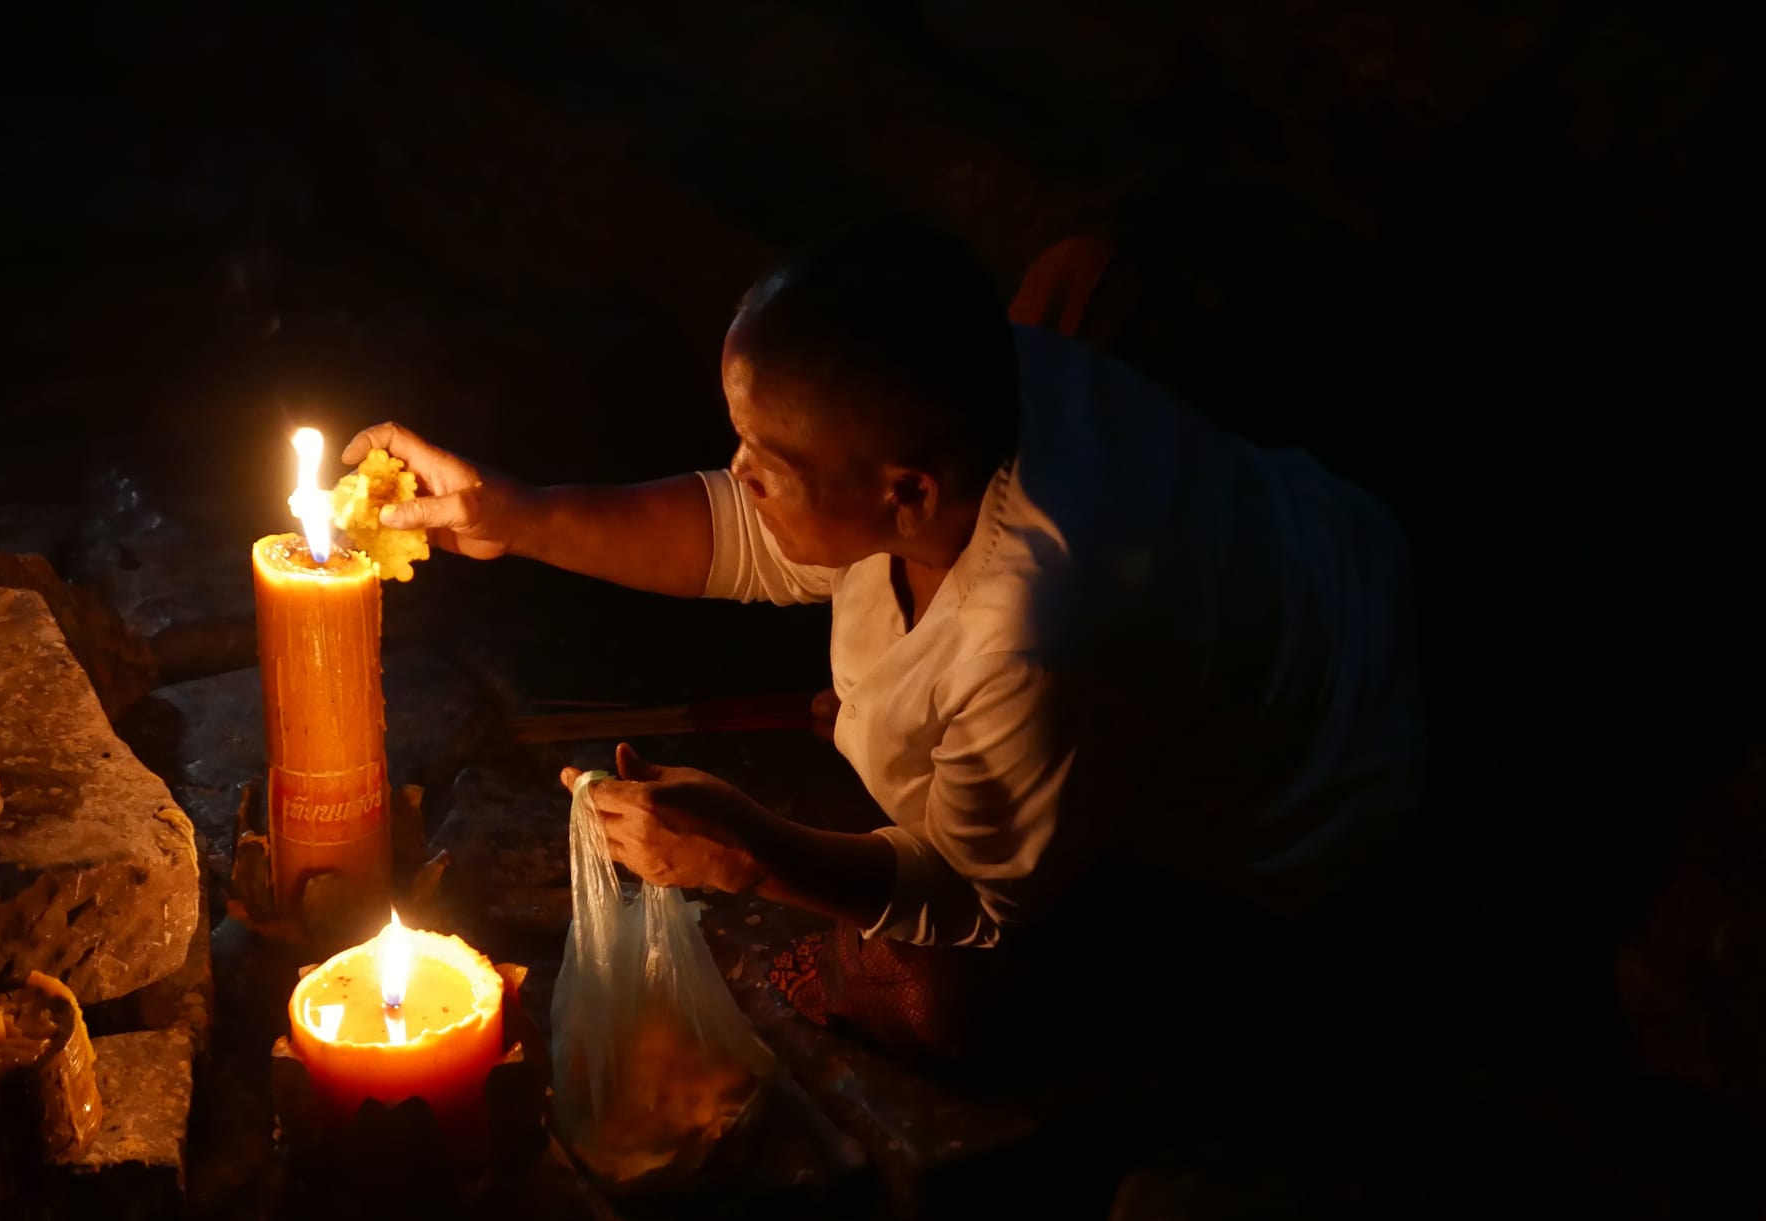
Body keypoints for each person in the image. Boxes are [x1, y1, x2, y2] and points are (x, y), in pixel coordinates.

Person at [348, 222, 1424, 1067]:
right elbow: (750, 532)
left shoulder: (1030, 636)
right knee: (1080, 277)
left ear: (904, 492)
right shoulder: (974, 386)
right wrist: (516, 514)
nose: (737, 466)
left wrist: (751, 851)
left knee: (935, 995)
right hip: (1327, 544)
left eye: (766, 455)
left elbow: (980, 895)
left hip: (1323, 797)